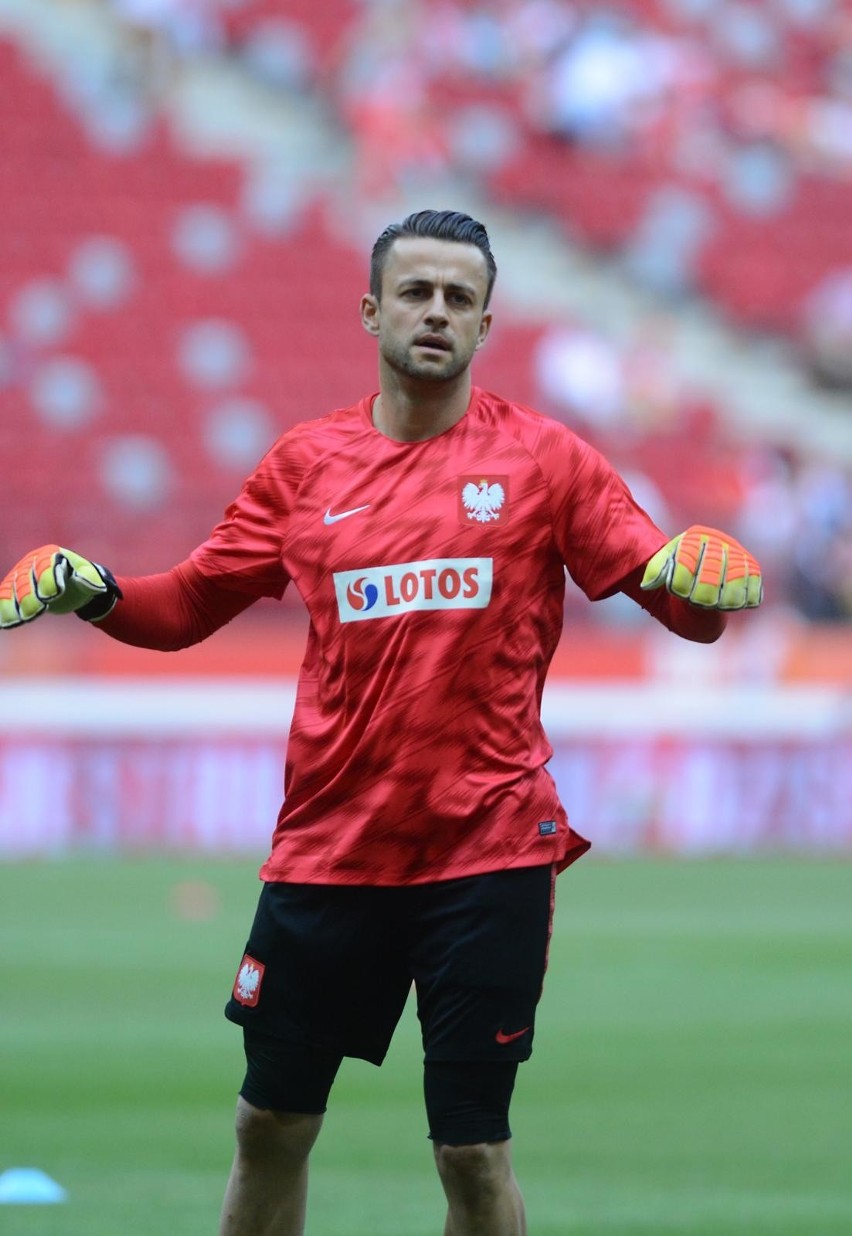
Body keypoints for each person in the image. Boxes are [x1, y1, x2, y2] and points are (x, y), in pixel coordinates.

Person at [0, 209, 763, 1236]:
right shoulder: (304, 468)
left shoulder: (548, 464)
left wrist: (700, 585)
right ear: (372, 310)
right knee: (269, 1123)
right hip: (328, 854)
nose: (436, 312)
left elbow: (682, 609)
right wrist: (92, 590)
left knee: (472, 1153)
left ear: (487, 322)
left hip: (485, 852)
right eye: (416, 292)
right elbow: (185, 608)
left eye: (458, 297)